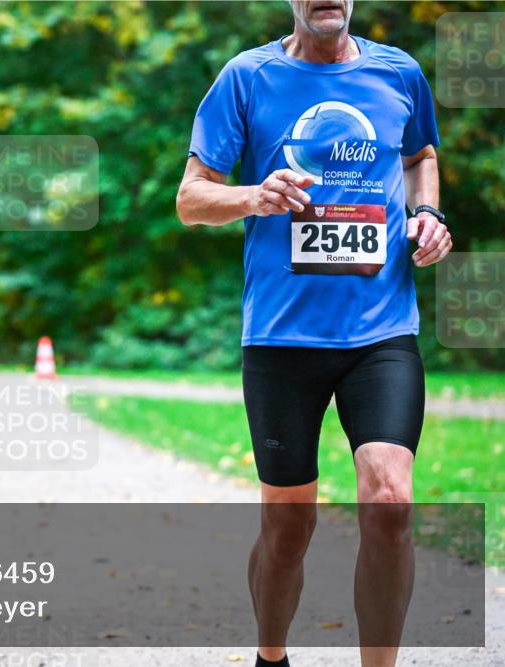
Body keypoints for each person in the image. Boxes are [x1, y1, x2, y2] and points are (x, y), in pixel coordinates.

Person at [175, 2, 451, 666]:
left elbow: (420, 156)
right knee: (288, 525)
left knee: (390, 497)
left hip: (380, 330)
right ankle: (272, 656)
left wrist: (428, 212)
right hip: (280, 337)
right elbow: (190, 198)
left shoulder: (400, 73)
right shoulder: (248, 77)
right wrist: (253, 195)